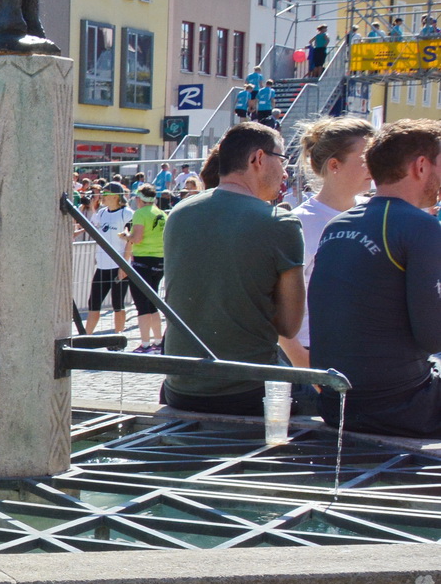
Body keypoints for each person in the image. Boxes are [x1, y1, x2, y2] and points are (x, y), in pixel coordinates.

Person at [160, 122, 306, 415]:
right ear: (258, 159)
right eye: (282, 159)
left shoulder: (179, 213)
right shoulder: (279, 222)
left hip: (180, 387)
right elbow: (289, 326)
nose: (285, 172)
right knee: (328, 397)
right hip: (246, 390)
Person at [309, 119, 441, 436]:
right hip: (403, 407)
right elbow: (433, 338)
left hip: (336, 405)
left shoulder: (338, 224)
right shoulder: (420, 227)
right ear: (421, 166)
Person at [290, 117, 375, 359]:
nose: (374, 166)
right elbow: (275, 306)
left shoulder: (376, 211)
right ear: (335, 165)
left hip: (364, 353)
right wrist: (304, 365)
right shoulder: (301, 222)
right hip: (313, 352)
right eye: (366, 158)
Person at [80, 183, 134, 336]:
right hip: (102, 266)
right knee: (93, 303)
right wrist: (92, 205)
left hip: (119, 266)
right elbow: (93, 227)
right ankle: (86, 337)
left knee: (118, 304)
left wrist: (124, 265)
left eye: (105, 193)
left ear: (115, 196)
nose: (102, 196)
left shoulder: (127, 213)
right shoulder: (102, 213)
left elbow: (130, 241)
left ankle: (118, 337)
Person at [124, 184, 169, 351]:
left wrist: (126, 236)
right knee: (152, 302)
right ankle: (157, 341)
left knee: (142, 304)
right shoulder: (161, 213)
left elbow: (137, 238)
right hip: (159, 261)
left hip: (142, 261)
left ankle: (144, 343)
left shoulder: (140, 213)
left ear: (139, 199)